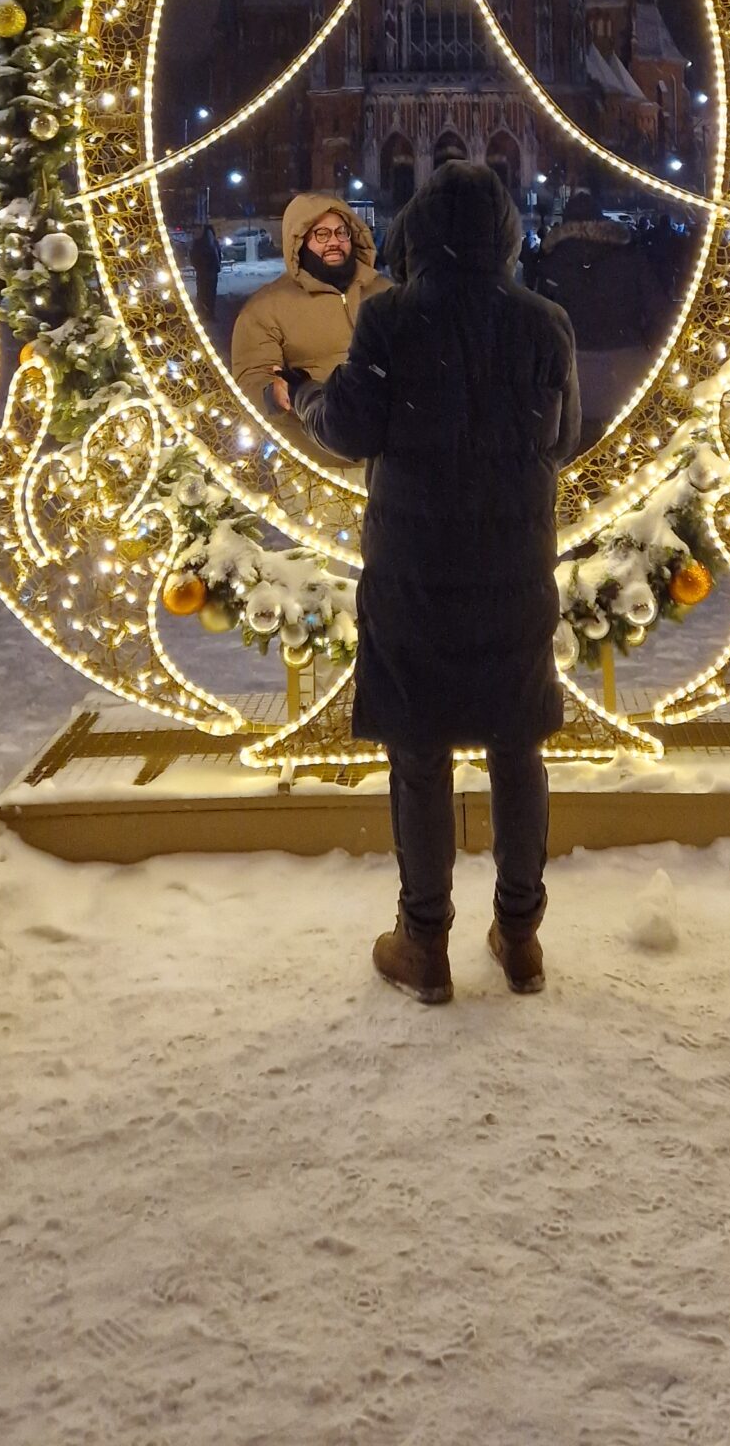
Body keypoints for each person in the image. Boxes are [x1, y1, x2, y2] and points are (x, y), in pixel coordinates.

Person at [285, 164, 580, 1006]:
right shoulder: (545, 322)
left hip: (417, 573)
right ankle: (521, 938)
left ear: (416, 232)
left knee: (419, 755)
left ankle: (425, 944)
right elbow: (562, 437)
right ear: (507, 234)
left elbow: (347, 429)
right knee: (517, 747)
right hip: (514, 568)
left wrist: (305, 398)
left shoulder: (389, 319)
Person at [229, 192, 389, 463]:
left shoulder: (386, 293)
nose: (335, 242)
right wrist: (273, 392)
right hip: (315, 466)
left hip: (390, 463)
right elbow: (251, 375)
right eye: (322, 235)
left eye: (341, 232)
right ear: (299, 242)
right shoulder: (266, 307)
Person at [531, 187, 667, 442]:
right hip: (627, 365)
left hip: (572, 372)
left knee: (576, 456)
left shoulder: (551, 262)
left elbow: (539, 324)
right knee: (631, 452)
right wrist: (646, 346)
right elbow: (659, 310)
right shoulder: (630, 256)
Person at [188, 219, 222, 327]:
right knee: (205, 293)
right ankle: (205, 314)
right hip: (205, 272)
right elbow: (196, 257)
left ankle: (207, 314)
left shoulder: (203, 243)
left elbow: (216, 255)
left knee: (207, 293)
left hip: (208, 271)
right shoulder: (203, 244)